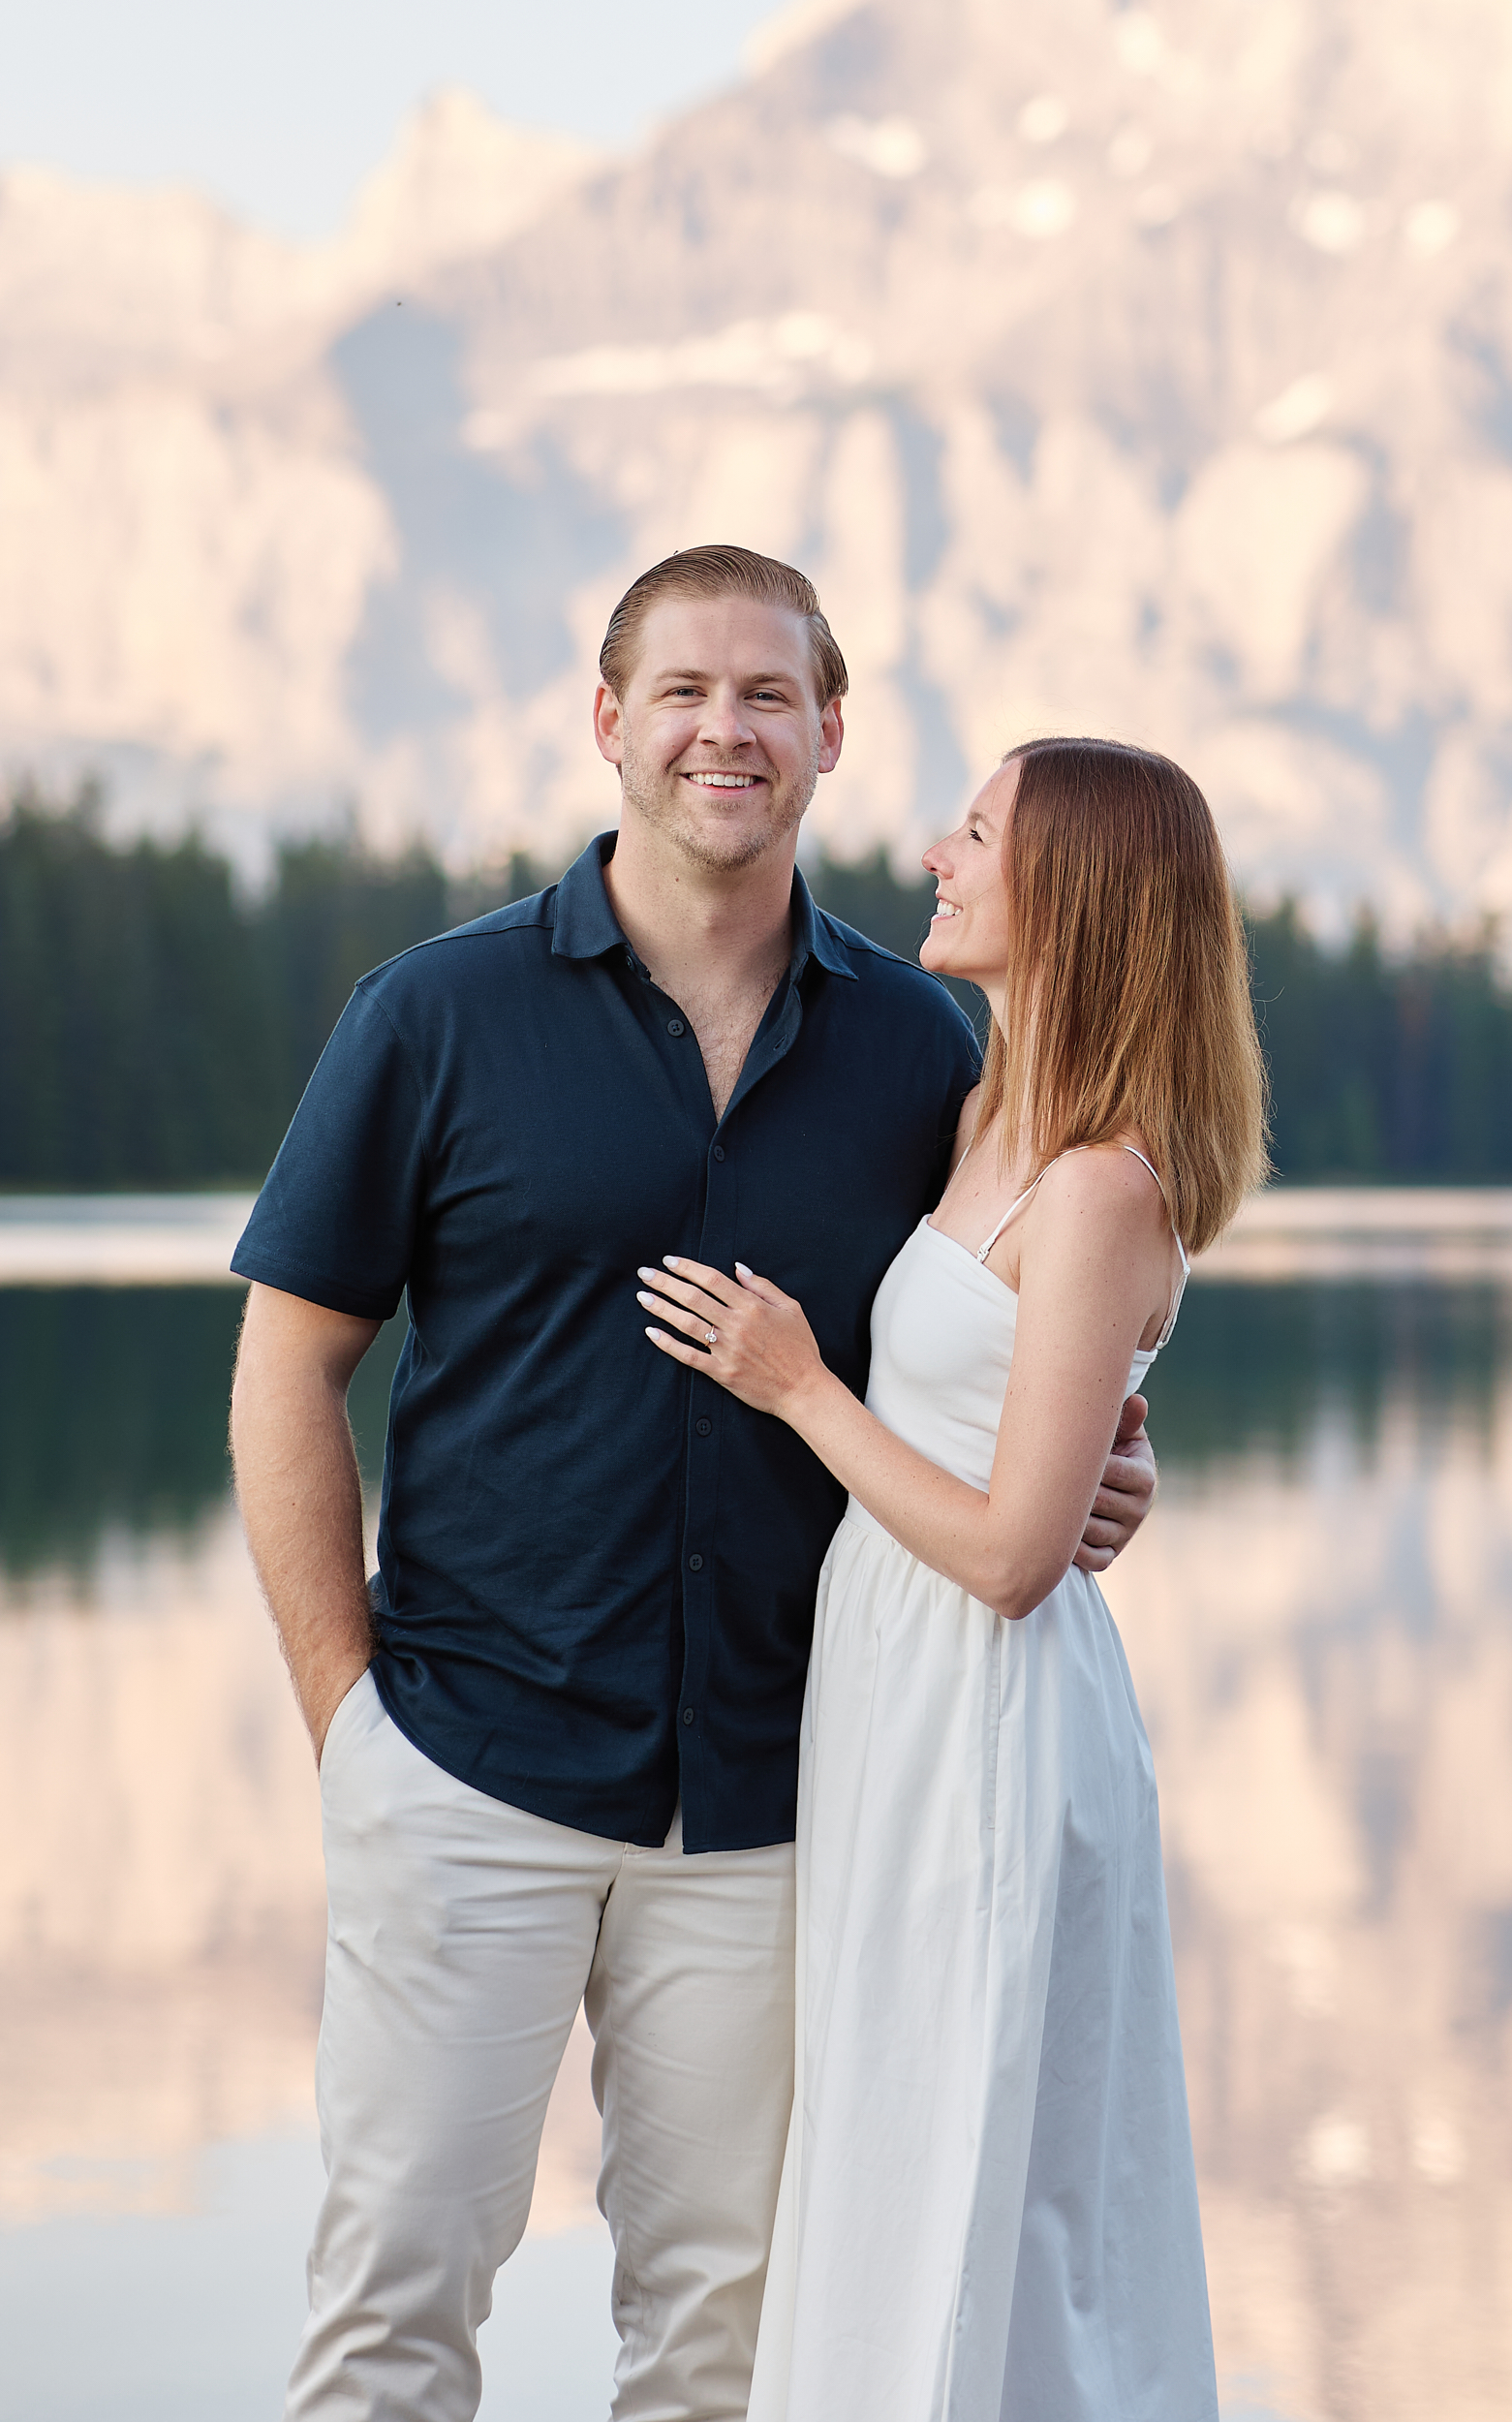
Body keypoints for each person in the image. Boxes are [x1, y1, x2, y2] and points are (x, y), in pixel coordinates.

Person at [227, 545, 1160, 2422]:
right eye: (680, 690)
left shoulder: (928, 1052)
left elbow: (1024, 1305)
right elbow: (286, 1372)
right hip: (467, 1771)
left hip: (773, 1804)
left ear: (829, 732)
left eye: (763, 694)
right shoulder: (436, 1013)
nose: (721, 728)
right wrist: (353, 1730)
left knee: (725, 2350)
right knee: (390, 2318)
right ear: (607, 724)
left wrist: (1109, 1463)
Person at [637, 735, 1268, 2420]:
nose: (935, 848)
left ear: (1068, 890)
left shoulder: (1101, 1186)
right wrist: (1098, 1483)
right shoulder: (985, 1113)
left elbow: (1004, 1558)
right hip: (895, 1698)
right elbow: (1023, 1454)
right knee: (890, 2134)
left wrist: (795, 1384)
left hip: (991, 1722)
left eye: (976, 830)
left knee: (981, 2154)